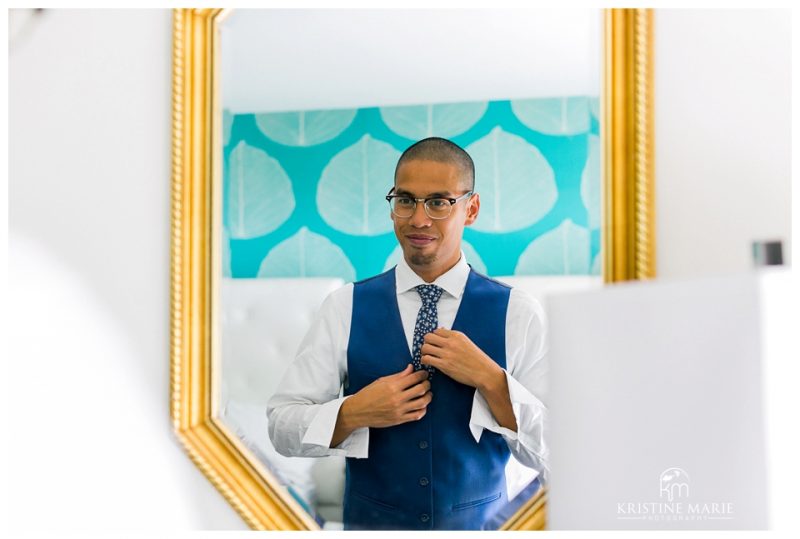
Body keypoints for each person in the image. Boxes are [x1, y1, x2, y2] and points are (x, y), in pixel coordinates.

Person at [267, 137, 548, 530]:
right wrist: (354, 412)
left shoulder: (519, 313)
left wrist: (491, 381)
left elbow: (559, 452)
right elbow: (281, 427)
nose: (418, 219)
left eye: (438, 202)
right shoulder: (343, 306)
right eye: (405, 200)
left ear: (471, 209)